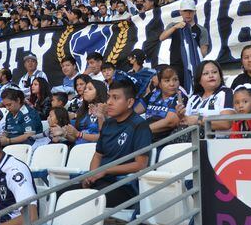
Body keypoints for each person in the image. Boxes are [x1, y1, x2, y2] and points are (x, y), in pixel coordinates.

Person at [82, 79, 151, 207]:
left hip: (125, 187)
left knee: (85, 201)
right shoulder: (108, 123)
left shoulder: (140, 125)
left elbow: (141, 165)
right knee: (62, 194)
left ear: (130, 102)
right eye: (109, 97)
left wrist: (106, 170)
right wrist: (92, 176)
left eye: (115, 98)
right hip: (102, 182)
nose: (109, 102)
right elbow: (98, 155)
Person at [175, 60, 235, 139]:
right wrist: (181, 116)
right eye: (206, 73)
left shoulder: (226, 93)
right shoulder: (193, 98)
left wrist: (199, 120)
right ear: (199, 80)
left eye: (214, 72)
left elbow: (226, 123)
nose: (211, 76)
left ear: (220, 76)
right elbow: (186, 122)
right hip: (193, 143)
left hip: (218, 143)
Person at [159, 0, 210, 87]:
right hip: (176, 65)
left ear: (195, 12)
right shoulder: (173, 25)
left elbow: (203, 51)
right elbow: (162, 37)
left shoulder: (201, 30)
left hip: (193, 67)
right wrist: (175, 27)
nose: (188, 14)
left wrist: (192, 59)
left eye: (190, 11)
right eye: (185, 11)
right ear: (180, 12)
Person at [135, 65, 185, 143]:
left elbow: (171, 122)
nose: (172, 84)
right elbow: (134, 112)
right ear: (160, 84)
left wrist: (141, 131)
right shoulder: (153, 94)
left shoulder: (180, 96)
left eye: (175, 80)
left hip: (164, 140)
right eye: (167, 80)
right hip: (146, 136)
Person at [71, 80, 108, 144]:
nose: (85, 90)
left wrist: (80, 134)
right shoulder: (82, 110)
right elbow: (76, 139)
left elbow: (103, 136)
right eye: (85, 88)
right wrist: (65, 134)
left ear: (99, 92)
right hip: (77, 148)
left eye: (90, 89)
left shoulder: (105, 109)